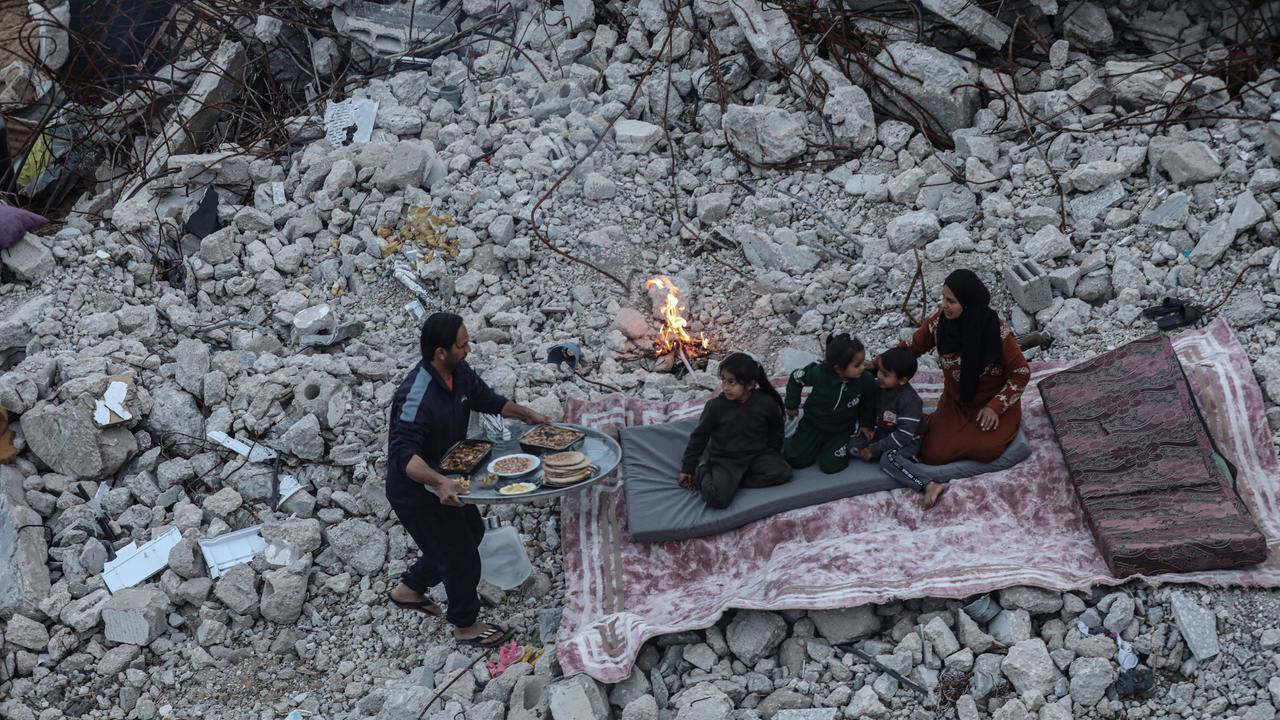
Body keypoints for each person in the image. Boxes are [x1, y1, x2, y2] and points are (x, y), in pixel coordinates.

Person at [385, 312, 551, 648]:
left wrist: (528, 414)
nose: (469, 350)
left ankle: (410, 588)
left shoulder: (458, 373)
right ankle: (465, 624)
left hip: (450, 477)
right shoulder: (415, 396)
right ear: (439, 352)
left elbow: (486, 399)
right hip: (417, 489)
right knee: (461, 556)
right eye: (462, 345)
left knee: (471, 532)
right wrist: (439, 482)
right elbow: (404, 456)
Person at [894, 269, 1030, 467]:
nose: (944, 306)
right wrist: (881, 364)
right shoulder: (940, 324)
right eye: (944, 299)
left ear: (967, 303)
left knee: (988, 449)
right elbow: (912, 347)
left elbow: (1021, 373)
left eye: (951, 302)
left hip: (991, 402)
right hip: (956, 403)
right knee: (933, 454)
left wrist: (995, 407)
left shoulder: (996, 332)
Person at [678, 352, 793, 509]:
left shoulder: (765, 403)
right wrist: (688, 468)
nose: (725, 387)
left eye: (732, 383)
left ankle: (735, 483)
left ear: (750, 385)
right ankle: (703, 468)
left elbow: (776, 430)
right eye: (724, 381)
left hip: (755, 455)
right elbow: (699, 438)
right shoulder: (714, 407)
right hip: (725, 459)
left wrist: (772, 452)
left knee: (783, 473)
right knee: (717, 499)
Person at [849, 347, 947, 508]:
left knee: (887, 458)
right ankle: (872, 450)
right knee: (853, 444)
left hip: (908, 440)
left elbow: (903, 436)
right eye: (880, 371)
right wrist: (867, 427)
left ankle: (928, 485)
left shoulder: (909, 401)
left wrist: (874, 450)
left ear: (902, 380)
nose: (879, 376)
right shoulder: (880, 387)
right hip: (883, 432)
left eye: (885, 374)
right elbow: (870, 406)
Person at [782, 333, 877, 474]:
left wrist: (865, 424)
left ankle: (826, 448)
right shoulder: (819, 373)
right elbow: (796, 378)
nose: (863, 367)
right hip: (813, 424)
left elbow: (868, 402)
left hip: (841, 430)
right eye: (857, 365)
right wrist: (791, 405)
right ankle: (783, 442)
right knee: (796, 459)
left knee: (831, 466)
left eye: (863, 362)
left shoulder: (866, 380)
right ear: (838, 368)